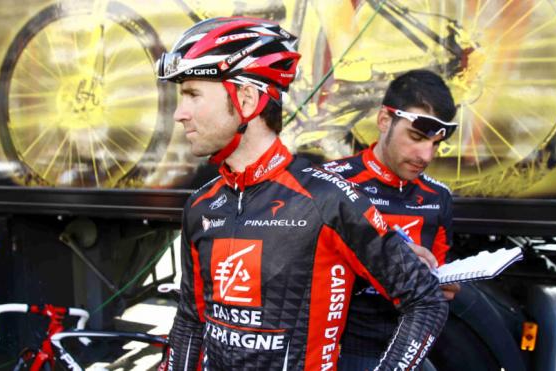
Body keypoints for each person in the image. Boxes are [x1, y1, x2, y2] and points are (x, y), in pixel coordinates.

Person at [157, 18, 447, 370]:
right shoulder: (200, 206)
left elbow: (425, 300)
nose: (179, 114)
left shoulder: (328, 200)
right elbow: (190, 320)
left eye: (192, 94)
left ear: (246, 98)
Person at [322, 69, 460, 370]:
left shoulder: (438, 197)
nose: (426, 155)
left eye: (436, 144)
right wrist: (390, 260)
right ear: (385, 121)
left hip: (407, 351)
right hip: (341, 352)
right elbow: (299, 276)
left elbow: (437, 284)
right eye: (416, 137)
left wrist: (445, 285)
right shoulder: (330, 182)